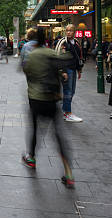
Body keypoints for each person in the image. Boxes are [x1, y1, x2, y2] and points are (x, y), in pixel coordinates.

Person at [22, 27, 75, 189]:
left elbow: (27, 73)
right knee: (59, 135)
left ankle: (31, 158)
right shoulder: (52, 53)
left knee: (35, 129)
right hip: (52, 98)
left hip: (35, 98)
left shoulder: (32, 56)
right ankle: (68, 173)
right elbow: (63, 71)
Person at [55, 24, 83, 122]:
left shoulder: (76, 42)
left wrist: (79, 70)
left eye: (70, 30)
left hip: (74, 70)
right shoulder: (63, 42)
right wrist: (62, 71)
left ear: (74, 31)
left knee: (72, 91)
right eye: (67, 30)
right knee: (67, 91)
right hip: (66, 70)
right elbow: (58, 57)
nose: (68, 32)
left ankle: (64, 109)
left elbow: (79, 56)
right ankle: (68, 113)